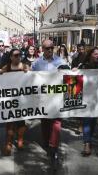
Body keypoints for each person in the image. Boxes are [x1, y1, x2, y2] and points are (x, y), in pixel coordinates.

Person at [32, 39, 67, 169]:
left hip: (57, 98)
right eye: (47, 48)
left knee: (57, 124)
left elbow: (69, 75)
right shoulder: (36, 63)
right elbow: (31, 79)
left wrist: (73, 70)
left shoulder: (60, 61)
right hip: (43, 98)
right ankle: (46, 142)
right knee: (45, 123)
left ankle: (53, 149)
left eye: (52, 48)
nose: (50, 50)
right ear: (42, 49)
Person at [1, 48, 29, 155]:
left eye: (19, 55)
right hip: (10, 99)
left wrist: (28, 72)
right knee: (10, 122)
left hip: (22, 98)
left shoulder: (25, 67)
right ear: (11, 57)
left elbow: (32, 79)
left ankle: (20, 140)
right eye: (16, 55)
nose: (18, 57)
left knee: (21, 121)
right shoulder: (6, 67)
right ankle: (8, 143)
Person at [77, 47, 98, 156]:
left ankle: (89, 140)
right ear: (91, 54)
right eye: (95, 54)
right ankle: (87, 144)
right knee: (87, 121)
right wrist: (75, 71)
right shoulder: (83, 66)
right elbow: (76, 78)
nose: (97, 56)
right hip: (85, 98)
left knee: (93, 122)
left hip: (97, 99)